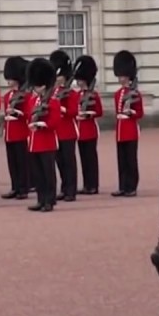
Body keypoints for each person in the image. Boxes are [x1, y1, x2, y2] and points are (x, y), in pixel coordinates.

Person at [26, 57, 61, 213]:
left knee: (48, 174)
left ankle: (49, 200)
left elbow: (55, 121)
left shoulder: (53, 101)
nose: (36, 88)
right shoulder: (33, 101)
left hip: (47, 141)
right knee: (38, 174)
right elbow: (28, 116)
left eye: (38, 85)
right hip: (34, 141)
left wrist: (43, 124)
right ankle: (41, 199)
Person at [111, 50, 144, 197]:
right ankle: (123, 186)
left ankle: (132, 187)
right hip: (120, 129)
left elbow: (140, 113)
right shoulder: (118, 94)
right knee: (121, 160)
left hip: (130, 129)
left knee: (131, 160)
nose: (121, 79)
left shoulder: (135, 93)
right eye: (120, 76)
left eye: (123, 76)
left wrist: (132, 113)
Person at [50, 51, 79, 202]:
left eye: (59, 76)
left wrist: (62, 109)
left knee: (69, 162)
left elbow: (74, 111)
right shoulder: (52, 93)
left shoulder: (71, 93)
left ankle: (71, 190)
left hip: (68, 131)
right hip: (56, 131)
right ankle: (64, 188)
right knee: (60, 162)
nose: (57, 79)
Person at [0, 56, 30, 201]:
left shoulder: (26, 95)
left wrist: (19, 113)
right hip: (10, 133)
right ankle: (15, 186)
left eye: (11, 77)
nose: (9, 80)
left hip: (21, 132)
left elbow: (29, 113)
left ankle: (23, 188)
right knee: (12, 162)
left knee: (22, 162)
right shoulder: (7, 96)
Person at [73, 56, 103, 195]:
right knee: (84, 159)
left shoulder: (93, 95)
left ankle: (93, 185)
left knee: (91, 159)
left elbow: (99, 111)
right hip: (79, 131)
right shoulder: (77, 95)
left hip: (90, 129)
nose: (78, 83)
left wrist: (88, 114)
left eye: (80, 80)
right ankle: (86, 184)